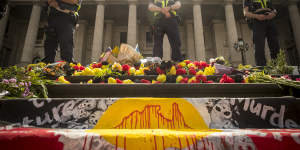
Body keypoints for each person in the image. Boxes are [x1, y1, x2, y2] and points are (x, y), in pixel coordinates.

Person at [243, 0, 280, 66]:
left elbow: (274, 10)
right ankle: (262, 67)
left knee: (275, 44)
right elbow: (246, 13)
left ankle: (278, 65)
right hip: (258, 21)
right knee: (259, 46)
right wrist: (257, 16)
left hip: (270, 20)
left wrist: (273, 14)